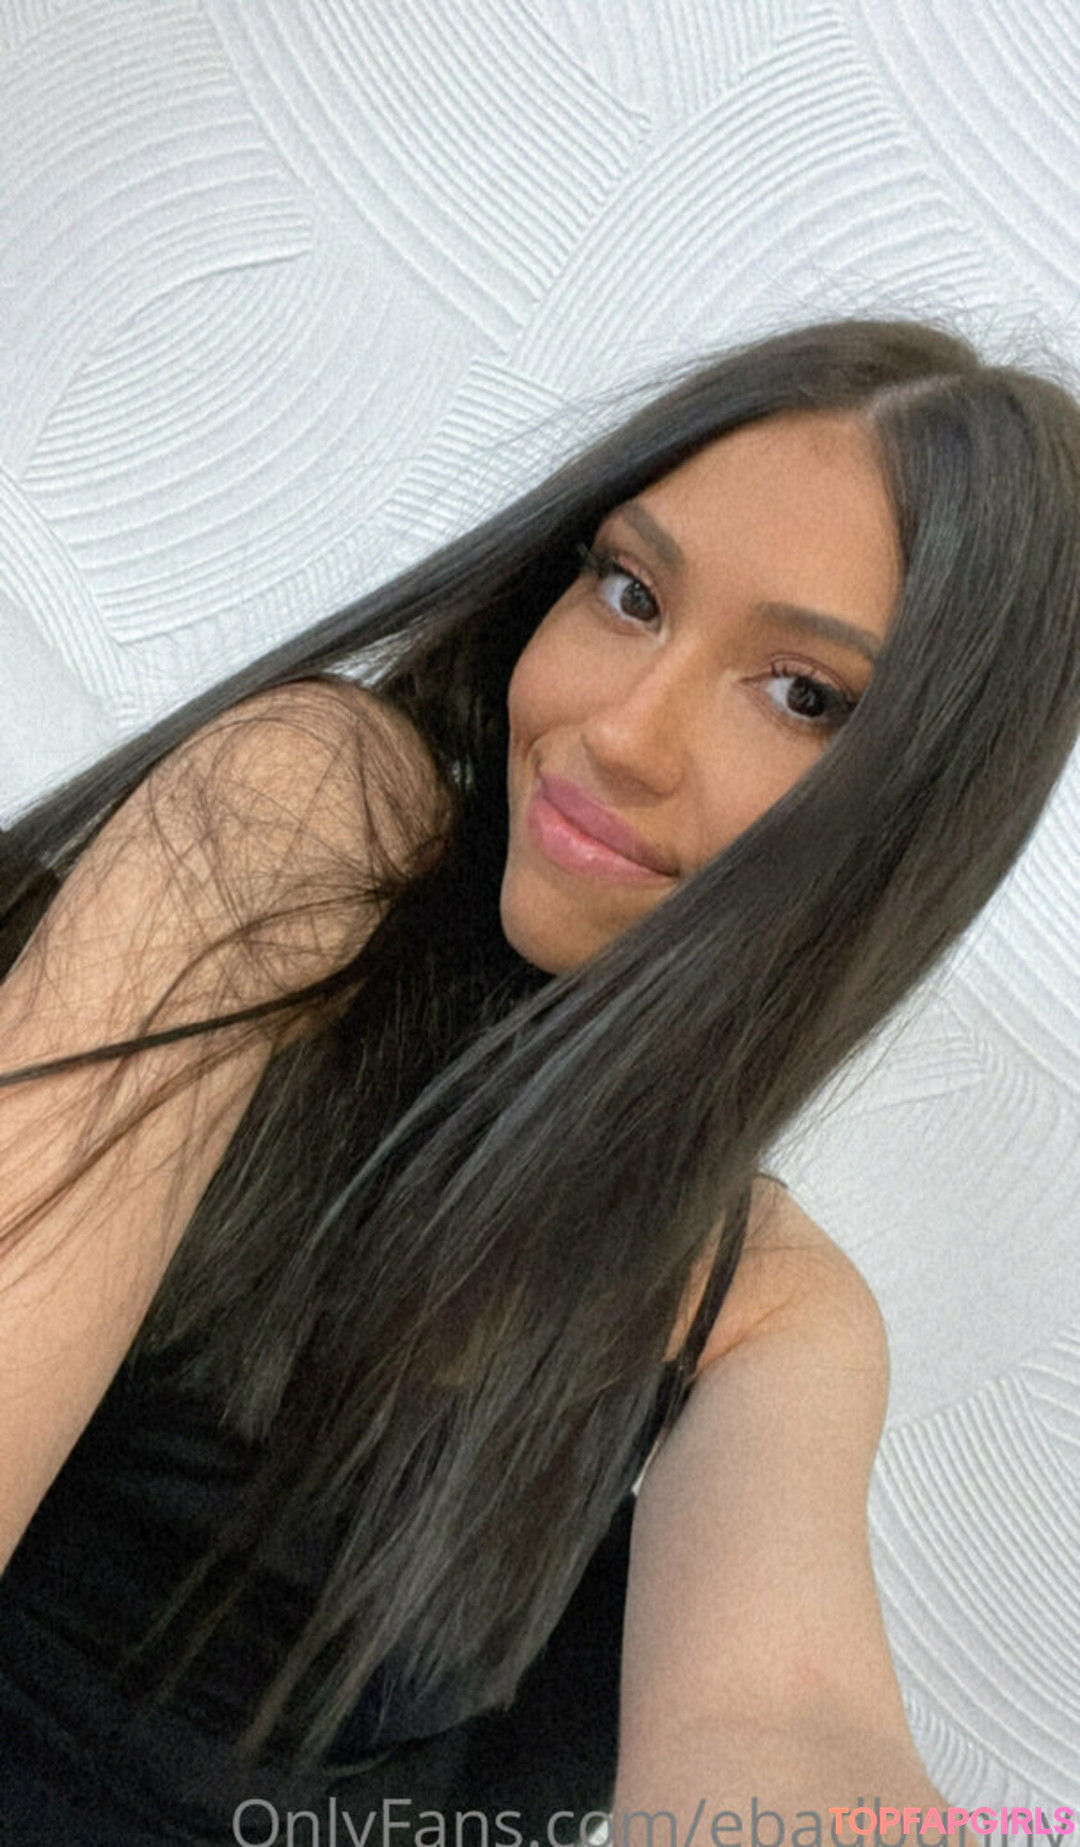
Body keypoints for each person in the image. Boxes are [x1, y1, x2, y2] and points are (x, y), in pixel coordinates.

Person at [0, 318, 1078, 1845]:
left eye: (800, 694)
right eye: (631, 593)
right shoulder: (317, 810)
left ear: (915, 818)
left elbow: (786, 1725)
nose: (618, 732)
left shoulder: (770, 1309)